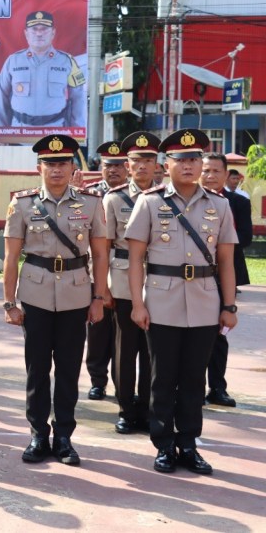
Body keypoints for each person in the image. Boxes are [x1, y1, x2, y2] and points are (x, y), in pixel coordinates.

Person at [125, 128, 237, 476]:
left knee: (193, 379)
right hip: (161, 301)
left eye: (194, 159)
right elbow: (135, 259)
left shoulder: (219, 205)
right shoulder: (150, 202)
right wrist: (137, 303)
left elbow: (226, 261)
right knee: (162, 378)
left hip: (204, 302)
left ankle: (188, 444)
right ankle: (163, 445)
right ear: (167, 164)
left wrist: (229, 306)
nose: (188, 166)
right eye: (180, 159)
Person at [2, 134, 108, 465]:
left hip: (76, 295)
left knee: (68, 369)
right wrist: (9, 302)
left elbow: (100, 255)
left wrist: (99, 297)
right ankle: (37, 434)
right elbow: (11, 257)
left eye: (62, 163)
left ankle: (63, 436)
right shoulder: (22, 203)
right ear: (39, 168)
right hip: (35, 294)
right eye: (50, 164)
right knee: (37, 369)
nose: (56, 169)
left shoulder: (91, 203)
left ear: (73, 167)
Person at [103, 131, 160, 434]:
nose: (142, 165)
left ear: (157, 164)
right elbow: (102, 247)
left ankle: (149, 408)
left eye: (148, 159)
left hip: (160, 280)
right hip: (123, 280)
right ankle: (126, 408)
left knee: (153, 350)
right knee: (125, 350)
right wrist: (102, 287)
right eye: (137, 160)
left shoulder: (167, 197)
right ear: (127, 165)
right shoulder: (114, 198)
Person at [201, 153, 251, 408]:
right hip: (193, 276)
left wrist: (220, 243)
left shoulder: (237, 202)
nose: (210, 176)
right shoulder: (186, 202)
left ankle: (217, 387)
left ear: (226, 174)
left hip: (223, 275)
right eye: (206, 170)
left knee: (219, 334)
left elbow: (246, 236)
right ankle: (191, 387)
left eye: (216, 171)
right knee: (191, 334)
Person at [0, 11, 87, 128]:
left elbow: (78, 98)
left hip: (55, 130)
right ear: (26, 33)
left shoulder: (67, 61)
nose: (39, 33)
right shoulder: (13, 61)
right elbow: (1, 98)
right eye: (34, 29)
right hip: (19, 130)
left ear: (53, 32)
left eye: (44, 29)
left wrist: (77, 130)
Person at [84, 140, 127, 401]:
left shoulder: (139, 196)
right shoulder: (89, 195)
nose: (113, 170)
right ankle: (97, 380)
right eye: (108, 165)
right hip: (96, 269)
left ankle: (124, 383)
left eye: (119, 165)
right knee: (98, 331)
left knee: (125, 334)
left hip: (125, 273)